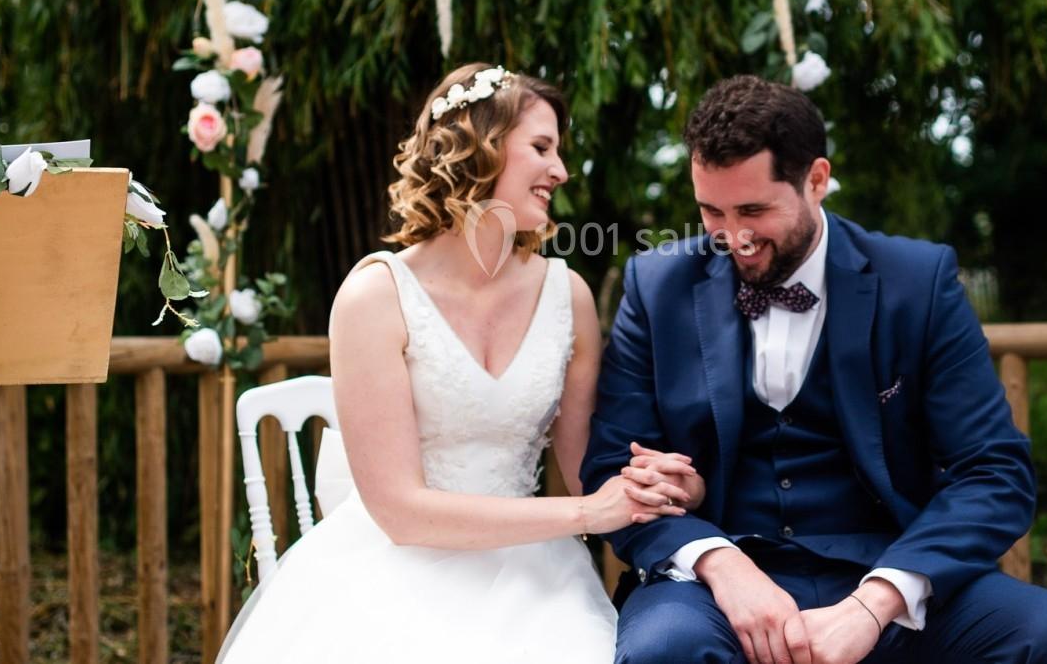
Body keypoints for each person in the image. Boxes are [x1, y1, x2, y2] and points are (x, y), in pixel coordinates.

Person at [581, 75, 1047, 664]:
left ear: (816, 180)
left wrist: (879, 600)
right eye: (711, 210)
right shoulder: (657, 285)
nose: (730, 236)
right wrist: (720, 562)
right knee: (665, 651)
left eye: (754, 210)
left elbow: (994, 472)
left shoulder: (917, 282)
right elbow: (611, 467)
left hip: (890, 567)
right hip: (715, 582)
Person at [219, 63, 701, 663]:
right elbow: (399, 512)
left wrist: (659, 485)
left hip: (535, 577)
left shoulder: (567, 294)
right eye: (542, 147)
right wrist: (585, 512)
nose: (561, 171)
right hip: (395, 570)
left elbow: (585, 470)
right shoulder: (376, 295)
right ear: (480, 145)